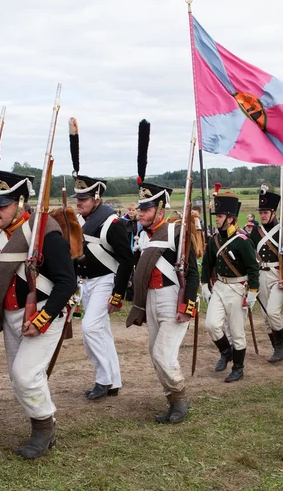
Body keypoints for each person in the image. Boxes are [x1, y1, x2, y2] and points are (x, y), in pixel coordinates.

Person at [0, 170, 77, 459]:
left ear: (20, 204)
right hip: (11, 316)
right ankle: (44, 426)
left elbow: (66, 282)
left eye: (2, 205)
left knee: (25, 374)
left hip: (43, 314)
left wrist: (42, 318)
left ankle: (44, 430)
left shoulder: (45, 232)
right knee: (19, 376)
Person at [126, 144, 199, 423]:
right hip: (152, 300)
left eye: (146, 209)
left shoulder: (176, 232)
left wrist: (187, 305)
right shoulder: (142, 235)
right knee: (154, 354)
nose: (140, 213)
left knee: (163, 354)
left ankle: (180, 399)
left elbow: (192, 273)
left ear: (159, 209)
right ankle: (172, 399)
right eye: (141, 208)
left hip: (173, 297)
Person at [74, 174, 134, 400]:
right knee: (101, 332)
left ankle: (103, 379)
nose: (79, 202)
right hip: (87, 282)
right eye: (78, 198)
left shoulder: (112, 223)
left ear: (97, 199)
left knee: (89, 329)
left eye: (85, 198)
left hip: (106, 281)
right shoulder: (80, 221)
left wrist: (118, 294)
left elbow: (126, 260)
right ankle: (114, 381)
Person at [201, 187, 260, 382]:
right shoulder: (214, 240)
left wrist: (252, 292)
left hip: (237, 288)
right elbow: (207, 264)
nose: (216, 219)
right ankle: (226, 352)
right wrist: (203, 285)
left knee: (236, 331)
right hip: (219, 287)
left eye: (220, 216)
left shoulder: (243, 241)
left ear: (231, 218)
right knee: (211, 324)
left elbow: (253, 268)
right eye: (216, 216)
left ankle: (238, 367)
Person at [248, 184, 283, 363]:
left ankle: (281, 346)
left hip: (278, 275)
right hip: (261, 275)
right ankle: (276, 349)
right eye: (261, 212)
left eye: (266, 212)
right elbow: (250, 256)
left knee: (273, 312)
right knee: (266, 316)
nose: (263, 215)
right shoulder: (256, 233)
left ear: (274, 213)